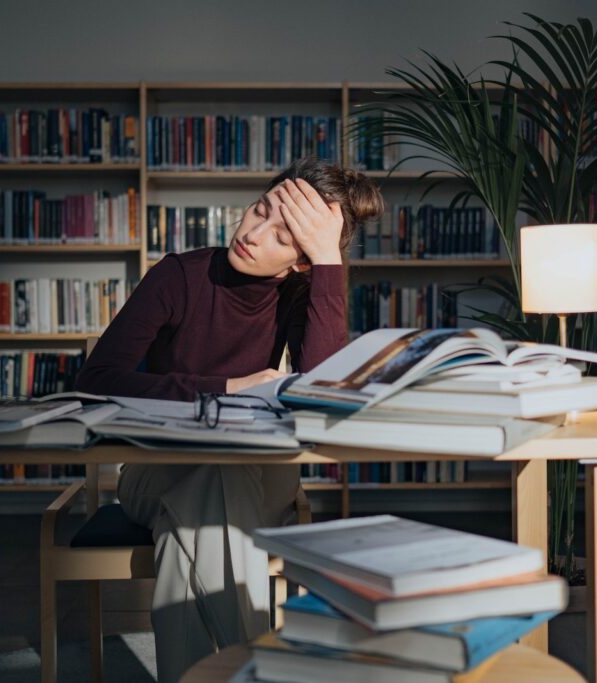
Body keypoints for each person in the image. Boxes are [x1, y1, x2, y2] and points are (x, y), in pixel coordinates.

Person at [74, 156, 383, 682]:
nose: (254, 234)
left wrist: (329, 262)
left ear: (301, 261)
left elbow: (321, 394)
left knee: (190, 527)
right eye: (260, 210)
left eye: (284, 236)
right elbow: (96, 381)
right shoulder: (179, 276)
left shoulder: (302, 292)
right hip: (157, 470)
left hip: (259, 473)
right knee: (212, 481)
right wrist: (225, 389)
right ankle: (258, 669)